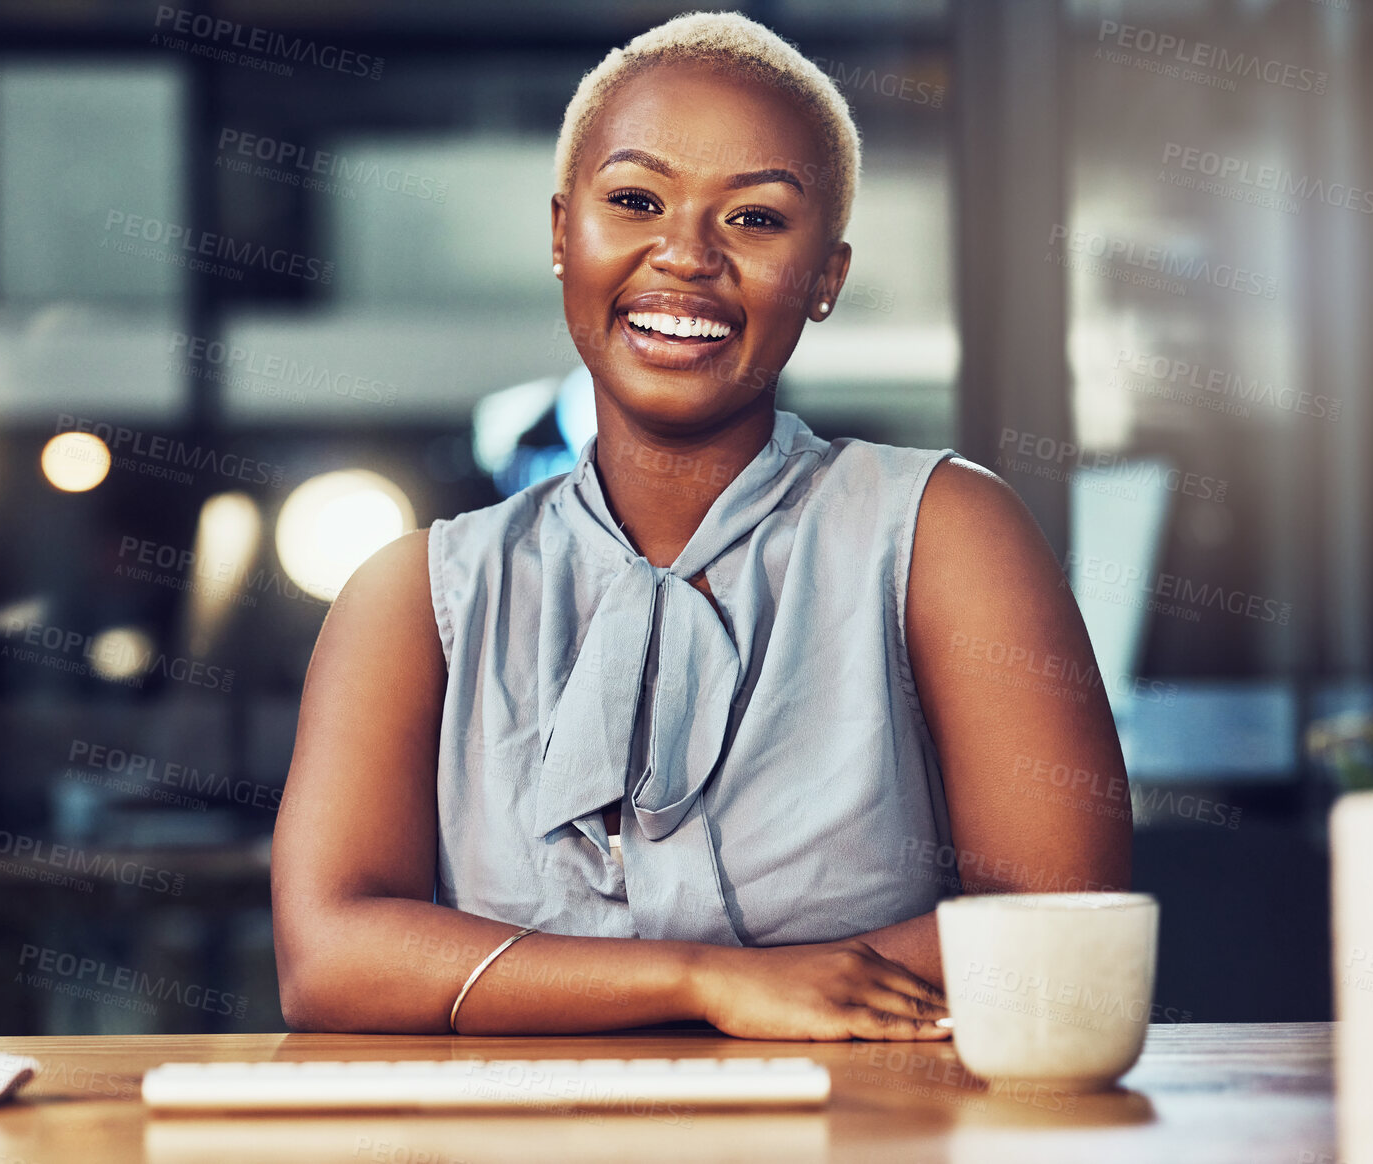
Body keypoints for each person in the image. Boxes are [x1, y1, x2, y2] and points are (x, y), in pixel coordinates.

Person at [273, 11, 1130, 1040]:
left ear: (825, 278)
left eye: (755, 220)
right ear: (561, 235)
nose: (682, 256)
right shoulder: (416, 594)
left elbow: (1056, 925)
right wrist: (705, 982)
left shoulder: (944, 533)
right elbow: (328, 958)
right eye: (634, 200)